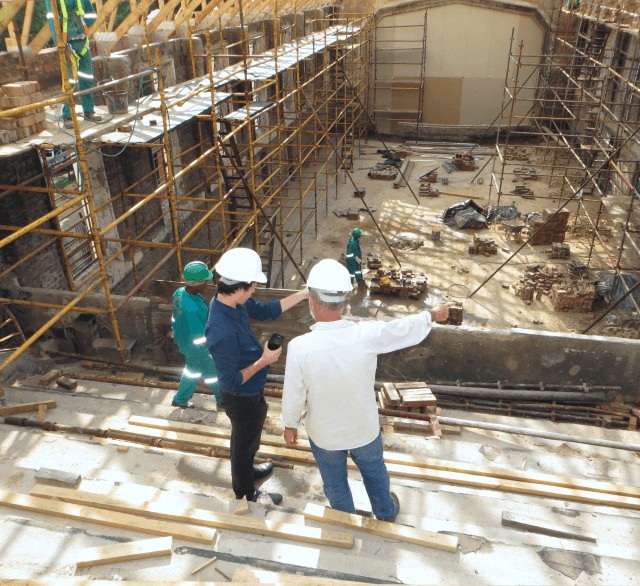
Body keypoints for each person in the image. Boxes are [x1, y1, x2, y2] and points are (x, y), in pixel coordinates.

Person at [281, 259, 449, 522]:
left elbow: (293, 394)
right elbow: (402, 329)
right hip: (364, 429)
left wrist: (289, 424)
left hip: (324, 434)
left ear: (312, 301)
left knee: (334, 482)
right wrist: (432, 314)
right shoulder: (365, 335)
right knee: (375, 472)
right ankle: (385, 512)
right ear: (344, 299)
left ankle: (345, 519)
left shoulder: (300, 347)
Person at [205, 248, 309, 505]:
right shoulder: (222, 331)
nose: (255, 290)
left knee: (249, 438)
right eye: (253, 286)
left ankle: (249, 471)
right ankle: (245, 492)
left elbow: (266, 310)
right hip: (240, 395)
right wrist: (264, 361)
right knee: (242, 442)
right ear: (239, 287)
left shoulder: (232, 300)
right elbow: (228, 381)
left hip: (251, 391)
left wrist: (303, 294)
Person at [46, 0, 103, 129]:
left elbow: (91, 14)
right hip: (67, 43)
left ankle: (89, 110)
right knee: (69, 80)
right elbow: (52, 19)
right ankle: (68, 115)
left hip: (82, 41)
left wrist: (84, 26)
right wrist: (59, 43)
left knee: (87, 77)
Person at [171, 261, 221, 409]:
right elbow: (198, 336)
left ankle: (180, 400)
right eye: (204, 281)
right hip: (199, 349)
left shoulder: (179, 293)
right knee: (215, 375)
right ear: (195, 283)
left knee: (191, 371)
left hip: (185, 343)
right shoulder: (191, 308)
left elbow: (175, 318)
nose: (207, 283)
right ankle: (224, 401)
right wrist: (209, 352)